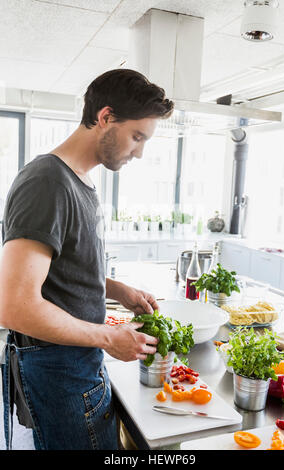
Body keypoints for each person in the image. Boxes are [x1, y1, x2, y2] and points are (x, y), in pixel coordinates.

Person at [0, 69, 174, 450]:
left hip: (79, 366)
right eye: (137, 137)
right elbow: (14, 306)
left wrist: (115, 288)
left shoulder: (80, 181)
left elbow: (62, 266)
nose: (140, 152)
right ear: (105, 117)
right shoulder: (47, 182)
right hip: (60, 373)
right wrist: (110, 337)